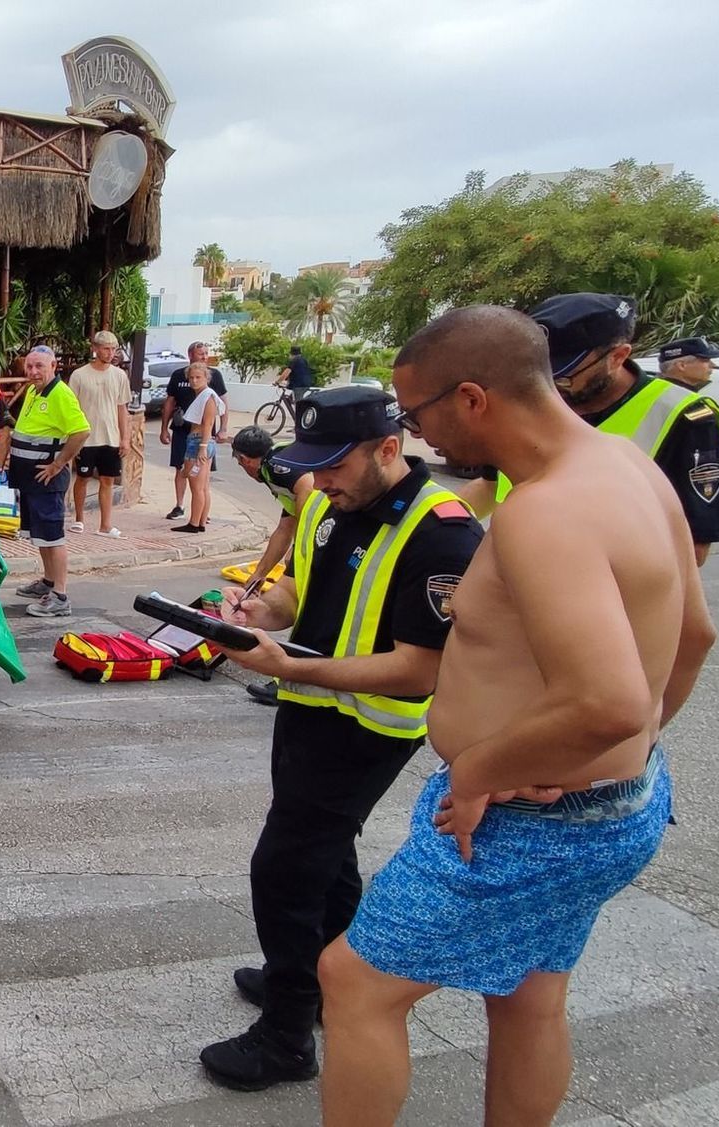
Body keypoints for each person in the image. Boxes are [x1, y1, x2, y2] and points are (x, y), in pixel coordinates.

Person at [318, 305, 715, 1127]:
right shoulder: (627, 466)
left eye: (416, 414)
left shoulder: (546, 510)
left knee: (353, 982)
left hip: (531, 819)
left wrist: (479, 769)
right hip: (614, 804)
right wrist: (624, 755)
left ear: (471, 399)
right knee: (530, 991)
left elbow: (608, 700)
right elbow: (694, 637)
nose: (416, 436)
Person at [199, 384, 483, 1093]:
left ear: (390, 449)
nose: (319, 481)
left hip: (369, 727)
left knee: (285, 867)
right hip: (307, 704)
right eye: (314, 466)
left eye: (335, 466)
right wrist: (263, 606)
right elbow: (305, 585)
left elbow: (421, 667)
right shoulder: (329, 501)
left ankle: (289, 1033)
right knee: (324, 852)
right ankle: (328, 980)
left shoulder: (442, 532)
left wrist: (290, 662)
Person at [458, 294, 719, 565]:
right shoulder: (530, 397)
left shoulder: (683, 416)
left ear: (617, 357)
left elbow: (693, 549)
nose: (549, 388)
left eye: (563, 377)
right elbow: (491, 487)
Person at [0, 346, 89, 618]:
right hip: (31, 480)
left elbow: (81, 431)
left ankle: (60, 595)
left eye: (39, 366)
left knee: (52, 536)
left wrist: (58, 464)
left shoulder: (60, 394)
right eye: (30, 366)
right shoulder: (35, 391)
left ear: (53, 366)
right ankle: (48, 582)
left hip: (47, 479)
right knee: (41, 536)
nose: (34, 372)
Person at [229, 425, 315, 706]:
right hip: (325, 535)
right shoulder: (275, 468)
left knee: (307, 608)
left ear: (246, 460)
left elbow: (308, 488)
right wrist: (259, 574)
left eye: (239, 462)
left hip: (327, 537)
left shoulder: (276, 464)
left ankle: (285, 682)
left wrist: (301, 544)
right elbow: (284, 527)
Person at [68, 330, 133, 536]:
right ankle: (79, 519)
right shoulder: (79, 375)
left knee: (108, 480)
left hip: (111, 437)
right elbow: (72, 408)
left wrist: (125, 437)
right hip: (86, 437)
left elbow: (122, 408)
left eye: (113, 349)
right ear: (95, 349)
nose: (110, 353)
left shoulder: (120, 375)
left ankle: (105, 524)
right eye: (106, 348)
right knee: (83, 477)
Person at [159, 341, 229, 520]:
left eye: (206, 353)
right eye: (201, 353)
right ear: (190, 355)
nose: (205, 356)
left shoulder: (212, 384)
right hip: (183, 431)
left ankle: (199, 517)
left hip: (203, 436)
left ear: (206, 378)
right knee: (182, 470)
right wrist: (164, 428)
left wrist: (222, 429)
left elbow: (223, 404)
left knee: (201, 481)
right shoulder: (178, 376)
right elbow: (169, 402)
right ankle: (181, 506)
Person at [659, 336, 719, 453]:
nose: (712, 365)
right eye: (705, 360)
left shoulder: (653, 392)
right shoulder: (688, 403)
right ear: (682, 365)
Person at [174, 363, 223, 533]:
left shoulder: (208, 396)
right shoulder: (203, 395)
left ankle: (194, 523)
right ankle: (200, 522)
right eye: (192, 378)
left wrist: (202, 447)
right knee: (203, 486)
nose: (194, 381)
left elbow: (208, 424)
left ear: (206, 378)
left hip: (198, 443)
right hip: (200, 442)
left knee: (196, 486)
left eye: (198, 377)